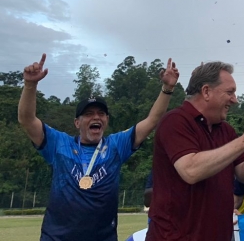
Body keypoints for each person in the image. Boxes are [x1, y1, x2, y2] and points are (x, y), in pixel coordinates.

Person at [17, 55, 179, 241]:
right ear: (77, 123)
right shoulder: (59, 144)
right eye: (89, 114)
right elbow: (27, 120)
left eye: (101, 113)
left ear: (107, 121)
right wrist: (30, 86)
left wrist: (167, 89)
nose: (96, 117)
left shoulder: (116, 146)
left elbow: (152, 121)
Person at [147, 61, 244, 241]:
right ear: (206, 91)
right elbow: (191, 170)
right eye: (230, 92)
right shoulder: (175, 121)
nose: (235, 99)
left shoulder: (225, 130)